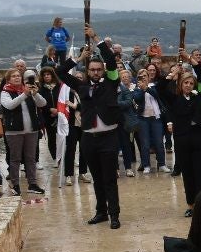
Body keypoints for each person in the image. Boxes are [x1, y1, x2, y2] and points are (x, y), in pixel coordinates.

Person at [58, 27, 123, 229]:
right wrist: (78, 58)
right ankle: (101, 212)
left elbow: (111, 60)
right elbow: (60, 72)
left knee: (109, 178)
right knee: (97, 178)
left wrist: (96, 39)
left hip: (109, 136)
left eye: (98, 69)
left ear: (103, 70)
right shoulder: (81, 86)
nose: (95, 72)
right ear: (88, 71)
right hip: (88, 138)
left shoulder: (112, 82)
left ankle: (114, 214)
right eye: (92, 69)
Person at [157, 49, 201, 217]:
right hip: (182, 140)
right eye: (185, 83)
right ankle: (191, 204)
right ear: (180, 85)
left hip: (200, 139)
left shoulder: (199, 95)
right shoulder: (174, 99)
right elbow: (160, 88)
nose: (188, 85)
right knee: (188, 174)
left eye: (190, 83)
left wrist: (189, 58)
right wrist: (173, 74)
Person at [0, 68, 48, 196]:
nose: (17, 78)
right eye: (14, 76)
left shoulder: (28, 90)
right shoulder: (5, 92)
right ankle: (15, 185)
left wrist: (35, 93)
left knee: (31, 158)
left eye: (18, 76)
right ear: (8, 79)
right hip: (14, 131)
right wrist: (24, 94)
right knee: (15, 158)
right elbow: (10, 105)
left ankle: (32, 184)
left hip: (32, 129)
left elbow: (43, 104)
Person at [135, 70, 169, 174]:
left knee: (159, 142)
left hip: (156, 118)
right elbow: (137, 99)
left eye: (145, 75)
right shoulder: (136, 88)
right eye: (141, 76)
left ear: (149, 76)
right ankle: (146, 165)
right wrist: (142, 89)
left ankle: (162, 164)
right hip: (143, 119)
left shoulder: (154, 86)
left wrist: (147, 88)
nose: (143, 78)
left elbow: (156, 95)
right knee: (145, 144)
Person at [117, 69, 141, 178]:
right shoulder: (108, 88)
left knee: (126, 145)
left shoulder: (124, 88)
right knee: (113, 147)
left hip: (124, 122)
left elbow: (128, 102)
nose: (124, 78)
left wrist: (115, 104)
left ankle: (128, 168)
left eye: (126, 76)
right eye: (122, 76)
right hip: (111, 122)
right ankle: (115, 169)